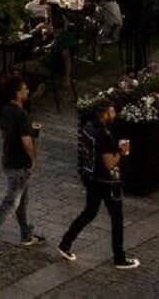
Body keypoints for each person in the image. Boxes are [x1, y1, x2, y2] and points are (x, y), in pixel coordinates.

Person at [55, 98, 138, 270]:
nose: (114, 114)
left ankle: (65, 243)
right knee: (117, 218)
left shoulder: (88, 127)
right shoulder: (103, 135)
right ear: (105, 113)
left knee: (90, 212)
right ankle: (119, 257)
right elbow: (109, 163)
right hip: (107, 181)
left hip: (91, 178)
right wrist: (122, 152)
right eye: (112, 111)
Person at [0, 75, 42, 254]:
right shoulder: (21, 114)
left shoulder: (6, 110)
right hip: (19, 162)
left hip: (8, 158)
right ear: (17, 93)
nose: (27, 91)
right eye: (24, 89)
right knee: (12, 202)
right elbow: (26, 140)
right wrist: (33, 158)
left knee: (21, 200)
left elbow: (11, 133)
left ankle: (26, 234)